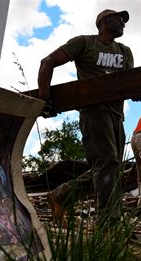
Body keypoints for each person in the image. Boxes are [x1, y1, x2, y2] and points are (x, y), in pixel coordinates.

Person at [39, 9, 134, 222]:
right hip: (94, 111)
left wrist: (137, 91)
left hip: (117, 115)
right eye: (119, 20)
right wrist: (44, 99)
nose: (123, 24)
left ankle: (61, 197)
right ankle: (108, 224)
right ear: (103, 21)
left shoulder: (125, 51)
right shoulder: (84, 44)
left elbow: (130, 81)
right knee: (107, 162)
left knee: (111, 167)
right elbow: (47, 62)